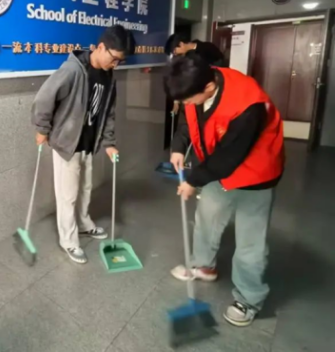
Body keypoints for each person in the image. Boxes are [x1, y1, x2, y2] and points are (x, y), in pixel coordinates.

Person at [164, 53, 284, 327]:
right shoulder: (197, 81)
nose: (185, 105)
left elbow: (230, 156)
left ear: (208, 88)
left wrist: (193, 180)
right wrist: (179, 147)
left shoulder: (248, 104)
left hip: (256, 173)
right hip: (217, 168)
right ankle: (204, 266)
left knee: (250, 243)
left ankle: (249, 299)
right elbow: (190, 120)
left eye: (187, 100)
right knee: (207, 217)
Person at [31, 25, 135, 264]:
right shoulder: (73, 70)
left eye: (120, 61)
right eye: (114, 58)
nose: (116, 64)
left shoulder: (108, 76)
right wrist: (42, 128)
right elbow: (44, 98)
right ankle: (68, 240)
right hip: (67, 144)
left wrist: (109, 142)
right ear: (101, 47)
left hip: (89, 142)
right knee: (67, 195)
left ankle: (84, 223)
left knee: (86, 188)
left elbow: (108, 112)